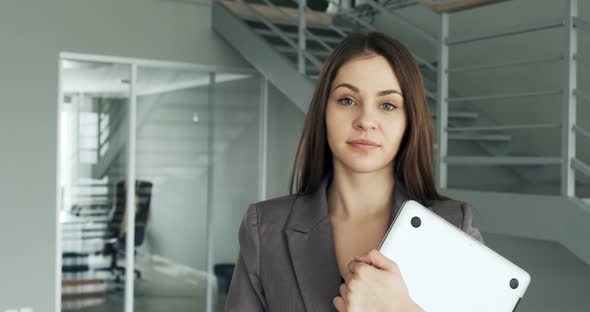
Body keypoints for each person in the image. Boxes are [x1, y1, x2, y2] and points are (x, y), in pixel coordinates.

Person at [225, 31, 484, 312]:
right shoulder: (265, 229)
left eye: (388, 105)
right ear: (323, 111)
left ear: (409, 121)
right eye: (347, 100)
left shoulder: (452, 228)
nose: (366, 121)